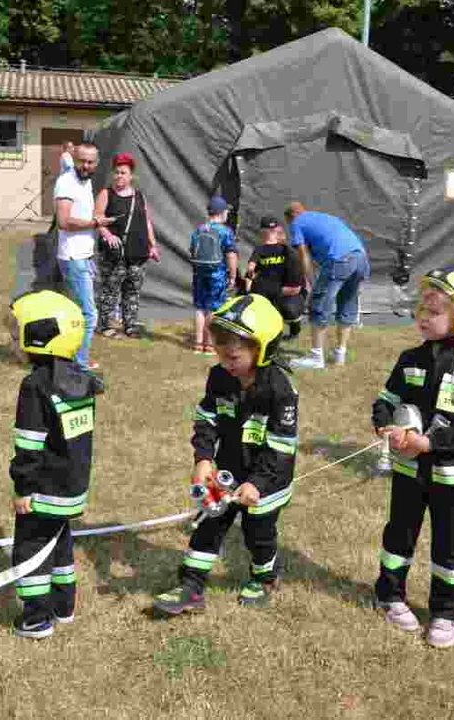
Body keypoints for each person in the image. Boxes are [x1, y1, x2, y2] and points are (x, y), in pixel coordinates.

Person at [371, 266, 454, 649]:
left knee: (449, 543)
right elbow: (385, 402)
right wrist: (383, 426)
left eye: (435, 311)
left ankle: (445, 611)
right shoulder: (409, 358)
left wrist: (427, 444)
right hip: (409, 469)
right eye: (422, 309)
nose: (423, 317)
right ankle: (389, 594)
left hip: (452, 475)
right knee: (400, 532)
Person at [153, 294, 298, 615]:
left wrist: (258, 484)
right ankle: (191, 587)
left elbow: (281, 447)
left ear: (263, 350)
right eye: (221, 354)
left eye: (234, 357)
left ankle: (264, 577)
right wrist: (203, 457)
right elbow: (207, 418)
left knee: (258, 533)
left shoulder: (280, 390)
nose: (226, 363)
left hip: (268, 482)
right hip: (228, 472)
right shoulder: (219, 377)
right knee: (209, 522)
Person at [8, 290, 103, 639]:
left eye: (17, 332)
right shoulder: (81, 380)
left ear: (39, 335)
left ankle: (35, 619)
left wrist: (23, 487)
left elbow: (30, 443)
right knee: (60, 541)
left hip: (43, 490)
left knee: (31, 546)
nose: (12, 340)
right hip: (72, 488)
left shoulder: (35, 386)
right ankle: (64, 605)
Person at [284, 202, 371, 370]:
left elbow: (303, 254)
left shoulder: (297, 223)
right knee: (347, 304)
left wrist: (311, 283)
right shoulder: (325, 217)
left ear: (290, 217)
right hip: (360, 258)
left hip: (340, 259)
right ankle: (340, 355)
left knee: (319, 304)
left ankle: (316, 358)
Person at [53, 142, 114, 371]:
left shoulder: (84, 181)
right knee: (89, 314)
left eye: (90, 162)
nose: (86, 165)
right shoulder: (67, 182)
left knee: (80, 312)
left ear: (96, 164)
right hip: (73, 257)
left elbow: (67, 156)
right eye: (82, 161)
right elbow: (64, 221)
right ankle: (79, 363)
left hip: (84, 256)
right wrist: (95, 222)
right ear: (76, 161)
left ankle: (72, 356)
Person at [94, 152, 160, 339]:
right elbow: (97, 219)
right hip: (115, 253)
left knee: (132, 291)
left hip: (138, 252)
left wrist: (152, 245)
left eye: (123, 172)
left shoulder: (139, 196)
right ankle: (105, 324)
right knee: (110, 290)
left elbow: (146, 221)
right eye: (116, 172)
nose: (119, 176)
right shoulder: (106, 194)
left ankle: (129, 325)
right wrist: (107, 234)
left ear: (131, 176)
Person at [189, 196, 238, 354]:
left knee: (200, 307)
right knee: (213, 308)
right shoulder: (225, 231)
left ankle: (198, 344)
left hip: (199, 273)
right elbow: (231, 255)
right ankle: (209, 345)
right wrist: (233, 275)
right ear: (221, 212)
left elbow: (192, 250)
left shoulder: (199, 229)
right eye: (226, 211)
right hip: (217, 273)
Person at [245, 216, 304, 339]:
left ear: (262, 231)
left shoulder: (260, 249)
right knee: (274, 314)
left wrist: (249, 289)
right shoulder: (286, 249)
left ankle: (276, 333)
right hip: (281, 289)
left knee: (272, 312)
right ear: (277, 229)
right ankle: (283, 333)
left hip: (278, 291)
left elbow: (250, 269)